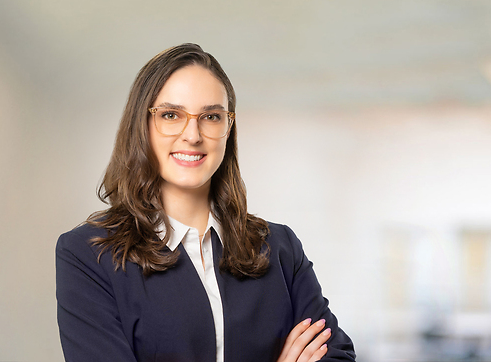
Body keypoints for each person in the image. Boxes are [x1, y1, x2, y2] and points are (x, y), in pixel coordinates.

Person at [56, 43, 356, 362]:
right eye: (171, 115)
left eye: (211, 116)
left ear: (228, 127)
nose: (193, 134)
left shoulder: (280, 249)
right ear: (140, 125)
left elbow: (335, 355)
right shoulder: (87, 255)